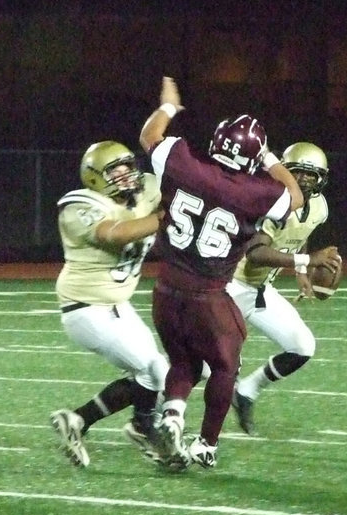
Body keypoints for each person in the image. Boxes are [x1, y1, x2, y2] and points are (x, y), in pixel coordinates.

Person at [138, 76, 303, 471]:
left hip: (166, 288)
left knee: (184, 362)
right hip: (209, 296)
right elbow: (295, 196)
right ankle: (206, 445)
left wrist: (170, 106)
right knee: (227, 367)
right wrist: (268, 157)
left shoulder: (182, 160)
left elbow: (149, 136)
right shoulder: (256, 192)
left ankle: (172, 417)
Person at [49, 141, 168, 468]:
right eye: (116, 171)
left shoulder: (145, 192)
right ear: (95, 177)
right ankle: (143, 427)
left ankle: (77, 420)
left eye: (129, 167)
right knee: (149, 369)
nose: (127, 176)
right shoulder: (79, 206)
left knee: (156, 372)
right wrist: (164, 217)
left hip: (118, 305)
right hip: (85, 308)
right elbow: (113, 234)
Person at [229, 142, 341, 434]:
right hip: (229, 287)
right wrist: (307, 260)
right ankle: (155, 407)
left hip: (260, 289)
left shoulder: (319, 206)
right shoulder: (272, 202)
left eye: (310, 174)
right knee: (206, 366)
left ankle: (246, 391)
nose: (302, 179)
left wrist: (302, 270)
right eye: (296, 172)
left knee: (302, 346)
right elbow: (256, 254)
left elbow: (300, 233)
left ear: (321, 178)